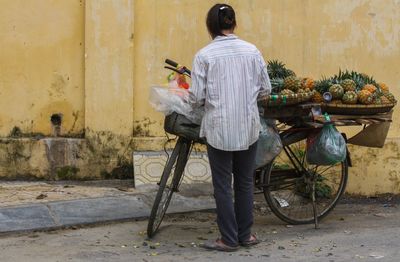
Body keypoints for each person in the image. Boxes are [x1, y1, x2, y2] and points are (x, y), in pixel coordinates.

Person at [188, 3, 272, 252]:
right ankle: (245, 235)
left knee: (223, 185)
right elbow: (266, 89)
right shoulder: (252, 51)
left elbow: (195, 98)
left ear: (211, 26)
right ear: (233, 23)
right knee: (245, 181)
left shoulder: (204, 56)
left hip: (219, 129)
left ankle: (228, 238)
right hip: (248, 126)